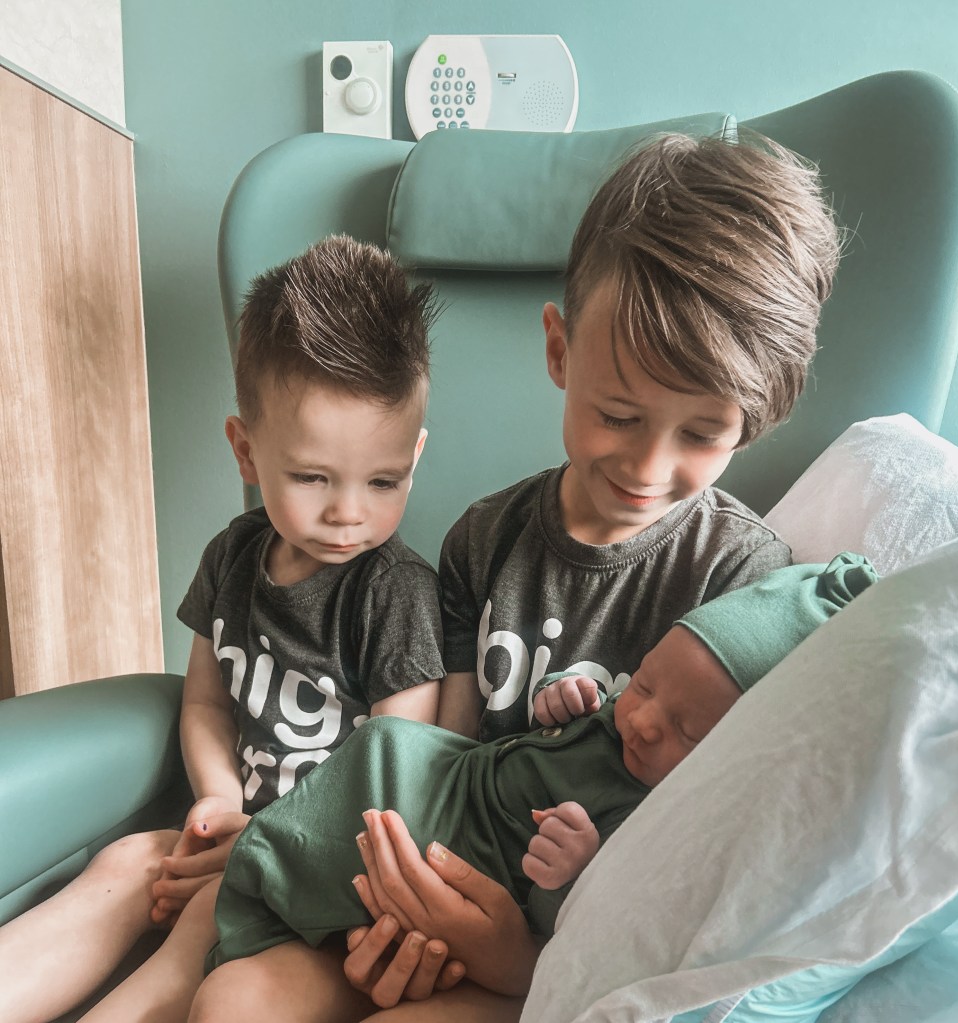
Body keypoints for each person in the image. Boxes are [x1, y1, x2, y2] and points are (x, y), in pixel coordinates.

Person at [190, 128, 845, 1022]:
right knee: (231, 1002)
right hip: (432, 886)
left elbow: (708, 861)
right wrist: (395, 913)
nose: (648, 467)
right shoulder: (484, 540)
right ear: (560, 350)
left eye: (701, 434)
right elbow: (440, 761)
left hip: (570, 951)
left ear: (753, 421)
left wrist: (518, 960)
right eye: (620, 414)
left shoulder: (744, 581)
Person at [0, 235, 446, 1023]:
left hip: (328, 872)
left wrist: (262, 844)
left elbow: (394, 784)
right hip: (236, 825)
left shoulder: (395, 594)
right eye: (312, 477)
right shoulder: (233, 557)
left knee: (203, 919)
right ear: (246, 450)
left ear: (415, 454)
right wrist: (216, 795)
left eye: (384, 480)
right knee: (127, 861)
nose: (349, 512)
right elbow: (206, 700)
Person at [185, 553, 876, 1023]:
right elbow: (567, 717)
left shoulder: (662, 815)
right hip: (441, 792)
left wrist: (572, 872)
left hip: (488, 909)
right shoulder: (493, 542)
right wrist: (560, 692)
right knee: (384, 748)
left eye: (687, 732)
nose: (642, 721)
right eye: (646, 683)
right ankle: (269, 863)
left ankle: (272, 870)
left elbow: (598, 927)